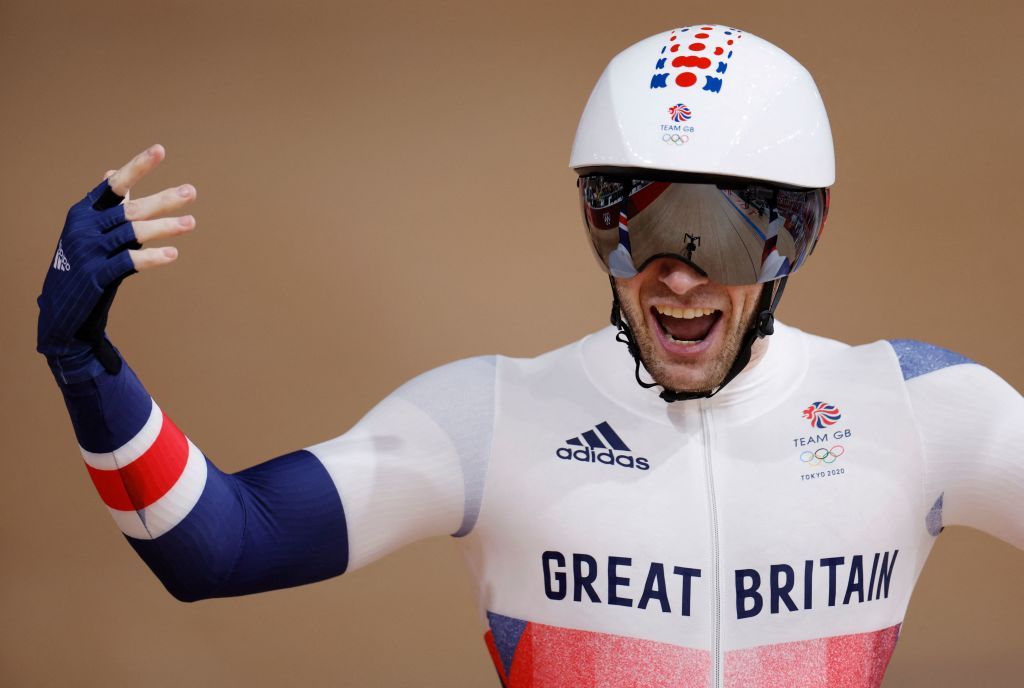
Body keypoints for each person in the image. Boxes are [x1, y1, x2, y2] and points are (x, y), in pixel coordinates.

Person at [36, 25, 1022, 688]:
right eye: (629, 226)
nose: (673, 277)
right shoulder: (488, 421)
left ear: (798, 235)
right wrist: (86, 362)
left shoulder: (915, 410)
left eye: (715, 235)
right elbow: (221, 543)